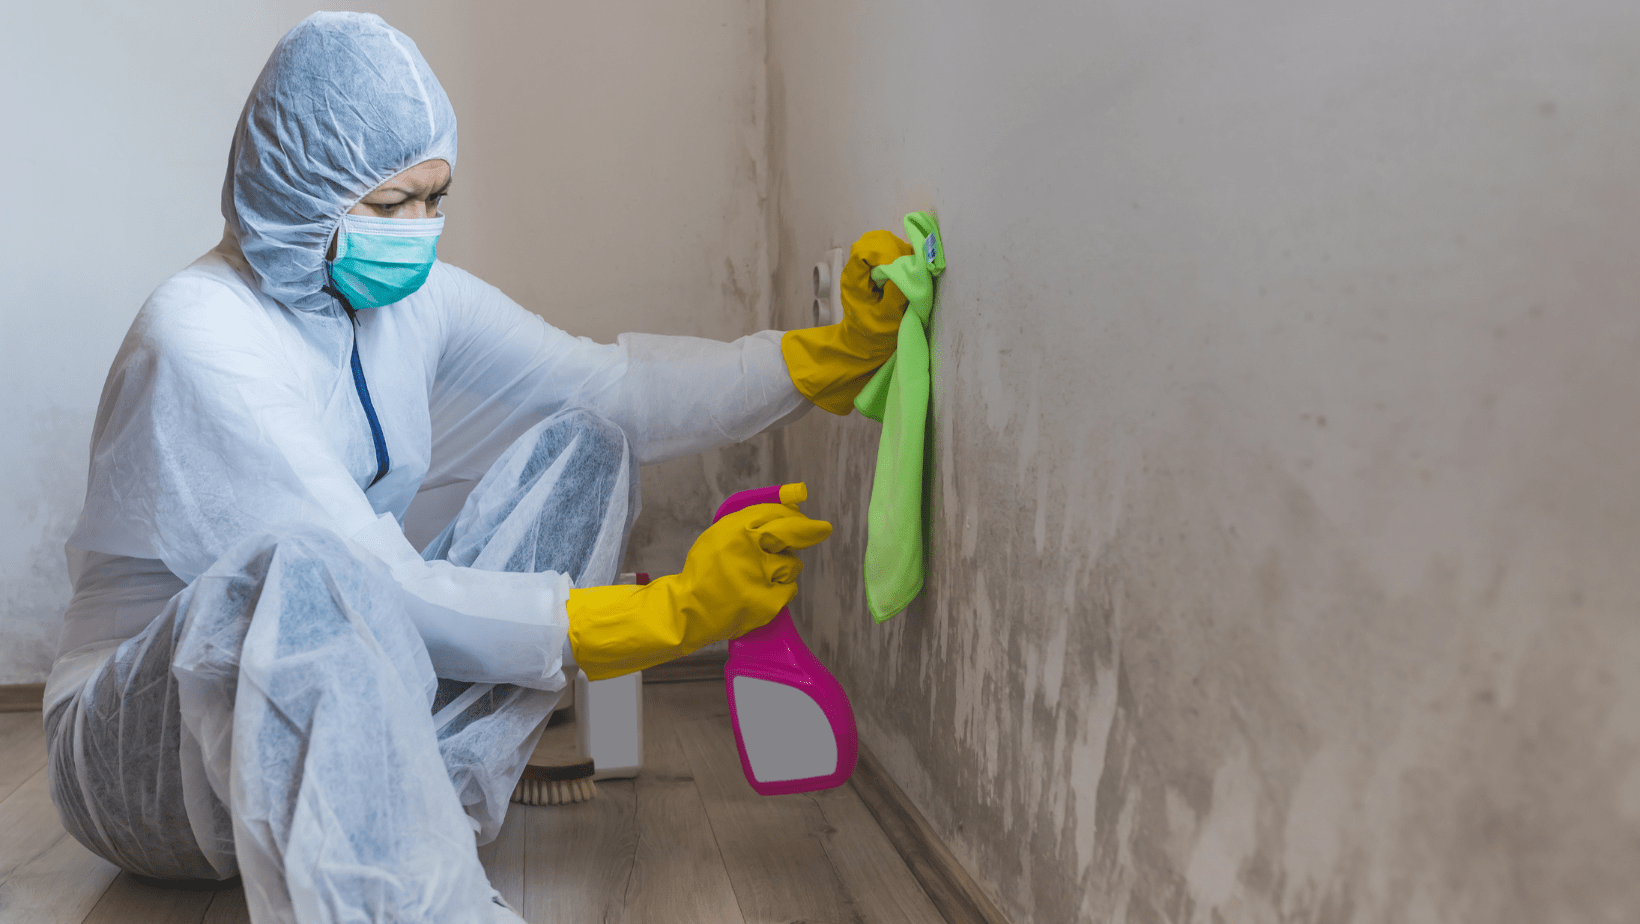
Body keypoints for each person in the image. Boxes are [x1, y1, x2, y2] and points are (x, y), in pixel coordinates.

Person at [41, 12, 913, 924]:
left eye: (436, 198)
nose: (419, 230)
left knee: (587, 447)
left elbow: (612, 387)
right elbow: (379, 584)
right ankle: (416, 907)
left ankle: (421, 825)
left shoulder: (408, 306)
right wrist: (666, 614)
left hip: (341, 701)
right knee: (310, 570)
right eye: (389, 206)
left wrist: (824, 358)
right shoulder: (200, 335)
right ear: (297, 188)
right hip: (146, 768)